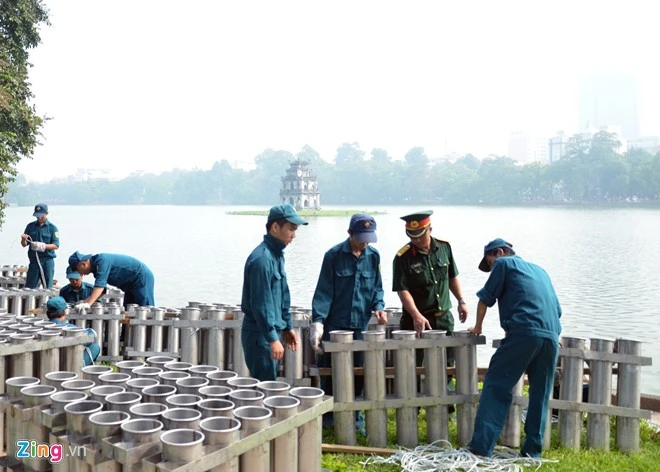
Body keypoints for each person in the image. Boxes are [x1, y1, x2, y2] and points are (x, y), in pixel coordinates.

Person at [467, 238, 562, 458]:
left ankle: (480, 448)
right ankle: (532, 452)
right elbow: (557, 310)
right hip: (551, 336)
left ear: (499, 253)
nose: (491, 268)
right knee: (540, 393)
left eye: (489, 263)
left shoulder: (503, 264)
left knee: (496, 385)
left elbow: (485, 299)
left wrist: (478, 326)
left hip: (524, 332)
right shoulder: (541, 270)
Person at [309, 213, 387, 431]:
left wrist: (379, 306)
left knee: (360, 372)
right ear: (349, 233)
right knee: (330, 372)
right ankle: (329, 419)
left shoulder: (374, 256)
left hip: (360, 325)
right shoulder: (333, 255)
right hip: (335, 324)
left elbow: (377, 288)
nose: (364, 242)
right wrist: (318, 322)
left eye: (368, 238)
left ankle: (356, 418)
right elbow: (324, 291)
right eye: (360, 237)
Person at [241, 204, 306, 381]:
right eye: (291, 229)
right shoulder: (262, 259)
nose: (294, 235)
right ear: (275, 227)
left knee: (270, 384)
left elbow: (282, 295)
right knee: (265, 386)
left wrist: (287, 326)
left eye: (296, 229)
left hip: (272, 331)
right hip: (260, 334)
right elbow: (261, 304)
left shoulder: (276, 255)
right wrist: (271, 338)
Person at [392, 210, 468, 357]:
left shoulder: (444, 247)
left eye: (421, 235)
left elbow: (452, 276)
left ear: (430, 229)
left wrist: (461, 301)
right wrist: (416, 315)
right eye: (413, 236)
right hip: (418, 321)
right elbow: (402, 290)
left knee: (447, 363)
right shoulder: (403, 257)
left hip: (444, 318)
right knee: (415, 366)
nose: (417, 240)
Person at [68, 252, 155, 310]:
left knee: (146, 310)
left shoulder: (102, 261)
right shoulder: (96, 269)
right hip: (129, 286)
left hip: (141, 277)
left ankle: (149, 337)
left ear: (83, 264)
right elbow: (102, 291)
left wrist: (88, 304)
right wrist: (85, 302)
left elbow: (100, 287)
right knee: (129, 310)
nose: (80, 273)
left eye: (77, 270)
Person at [46, 296, 100, 366]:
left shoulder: (42, 326)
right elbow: (90, 338)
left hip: (47, 362)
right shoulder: (68, 328)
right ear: (64, 312)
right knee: (95, 347)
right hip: (68, 364)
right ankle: (79, 370)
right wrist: (88, 330)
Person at [20, 203, 60, 288]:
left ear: (46, 213)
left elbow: (56, 245)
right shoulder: (30, 226)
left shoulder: (52, 228)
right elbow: (24, 245)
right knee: (29, 287)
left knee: (47, 287)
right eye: (37, 216)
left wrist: (43, 246)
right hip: (34, 261)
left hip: (47, 261)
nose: (39, 218)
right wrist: (23, 239)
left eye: (41, 216)